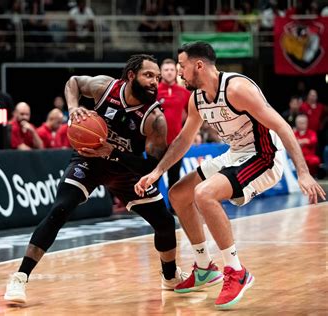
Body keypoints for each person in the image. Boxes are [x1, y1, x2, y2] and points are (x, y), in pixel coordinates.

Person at [134, 42, 326, 310]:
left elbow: (282, 125)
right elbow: (184, 140)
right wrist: (157, 172)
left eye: (182, 66)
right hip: (236, 153)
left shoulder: (237, 89)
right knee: (179, 194)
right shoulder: (197, 98)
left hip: (265, 155)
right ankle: (204, 267)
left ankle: (237, 271)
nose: (179, 72)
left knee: (205, 194)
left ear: (198, 65)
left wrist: (302, 172)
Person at [4, 54, 188, 304]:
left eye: (157, 77)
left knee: (165, 223)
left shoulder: (155, 119)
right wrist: (73, 108)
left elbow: (151, 166)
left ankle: (169, 277)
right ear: (131, 76)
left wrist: (113, 151)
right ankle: (19, 278)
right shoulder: (106, 87)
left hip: (125, 169)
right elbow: (74, 82)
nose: (155, 82)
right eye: (148, 75)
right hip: (88, 160)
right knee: (60, 209)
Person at [158, 58, 190, 212]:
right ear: (161, 72)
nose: (169, 72)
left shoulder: (184, 93)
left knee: (174, 177)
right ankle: (155, 209)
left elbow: (193, 116)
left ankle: (174, 208)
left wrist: (193, 133)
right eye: (166, 70)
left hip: (176, 143)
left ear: (176, 72)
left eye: (172, 70)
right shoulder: (154, 92)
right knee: (154, 177)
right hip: (156, 143)